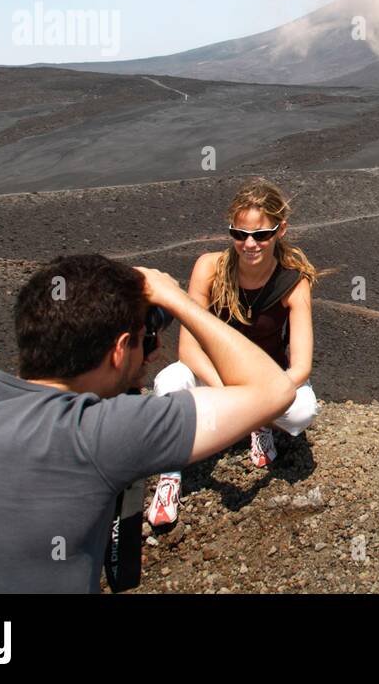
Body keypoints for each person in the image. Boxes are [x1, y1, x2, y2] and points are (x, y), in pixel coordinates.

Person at [0, 254, 294, 593]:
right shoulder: (100, 432)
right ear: (118, 351)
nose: (154, 350)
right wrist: (177, 301)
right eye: (145, 340)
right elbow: (273, 391)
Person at [147, 177, 320, 527]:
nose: (250, 244)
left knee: (302, 411)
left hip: (266, 378)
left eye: (261, 234)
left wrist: (259, 398)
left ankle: (257, 425)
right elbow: (188, 349)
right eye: (239, 234)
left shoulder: (293, 280)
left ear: (280, 230)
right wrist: (231, 394)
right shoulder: (209, 269)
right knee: (167, 382)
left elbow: (300, 366)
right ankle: (170, 474)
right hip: (214, 376)